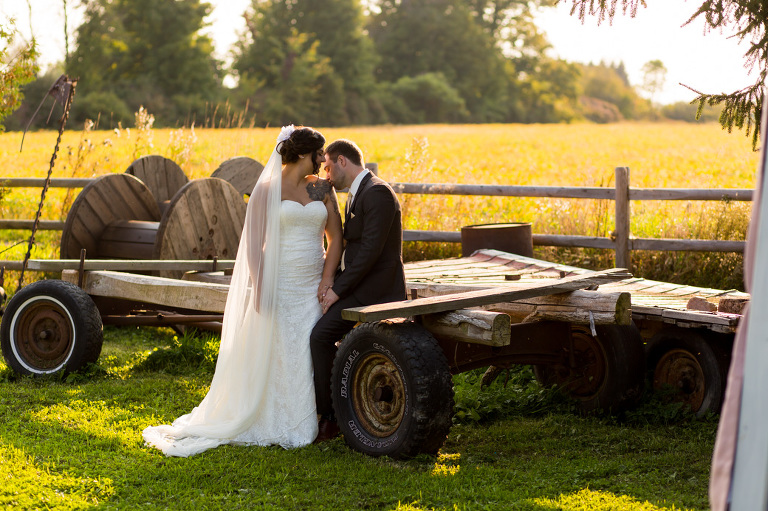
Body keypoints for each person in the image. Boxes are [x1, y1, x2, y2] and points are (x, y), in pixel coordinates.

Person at [142, 125, 343, 456]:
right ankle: (278, 415)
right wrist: (261, 285)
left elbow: (336, 238)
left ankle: (319, 414)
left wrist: (326, 280)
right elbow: (253, 245)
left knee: (309, 345)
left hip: (312, 285)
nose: (324, 160)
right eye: (320, 153)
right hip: (280, 282)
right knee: (279, 346)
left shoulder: (322, 189)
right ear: (306, 154)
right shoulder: (267, 190)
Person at [310, 139, 407, 442]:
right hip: (360, 287)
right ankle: (345, 395)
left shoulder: (377, 192)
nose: (326, 175)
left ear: (342, 161)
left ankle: (330, 417)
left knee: (321, 336)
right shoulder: (357, 193)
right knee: (323, 334)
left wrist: (337, 291)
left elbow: (369, 254)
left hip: (376, 291)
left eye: (327, 167)